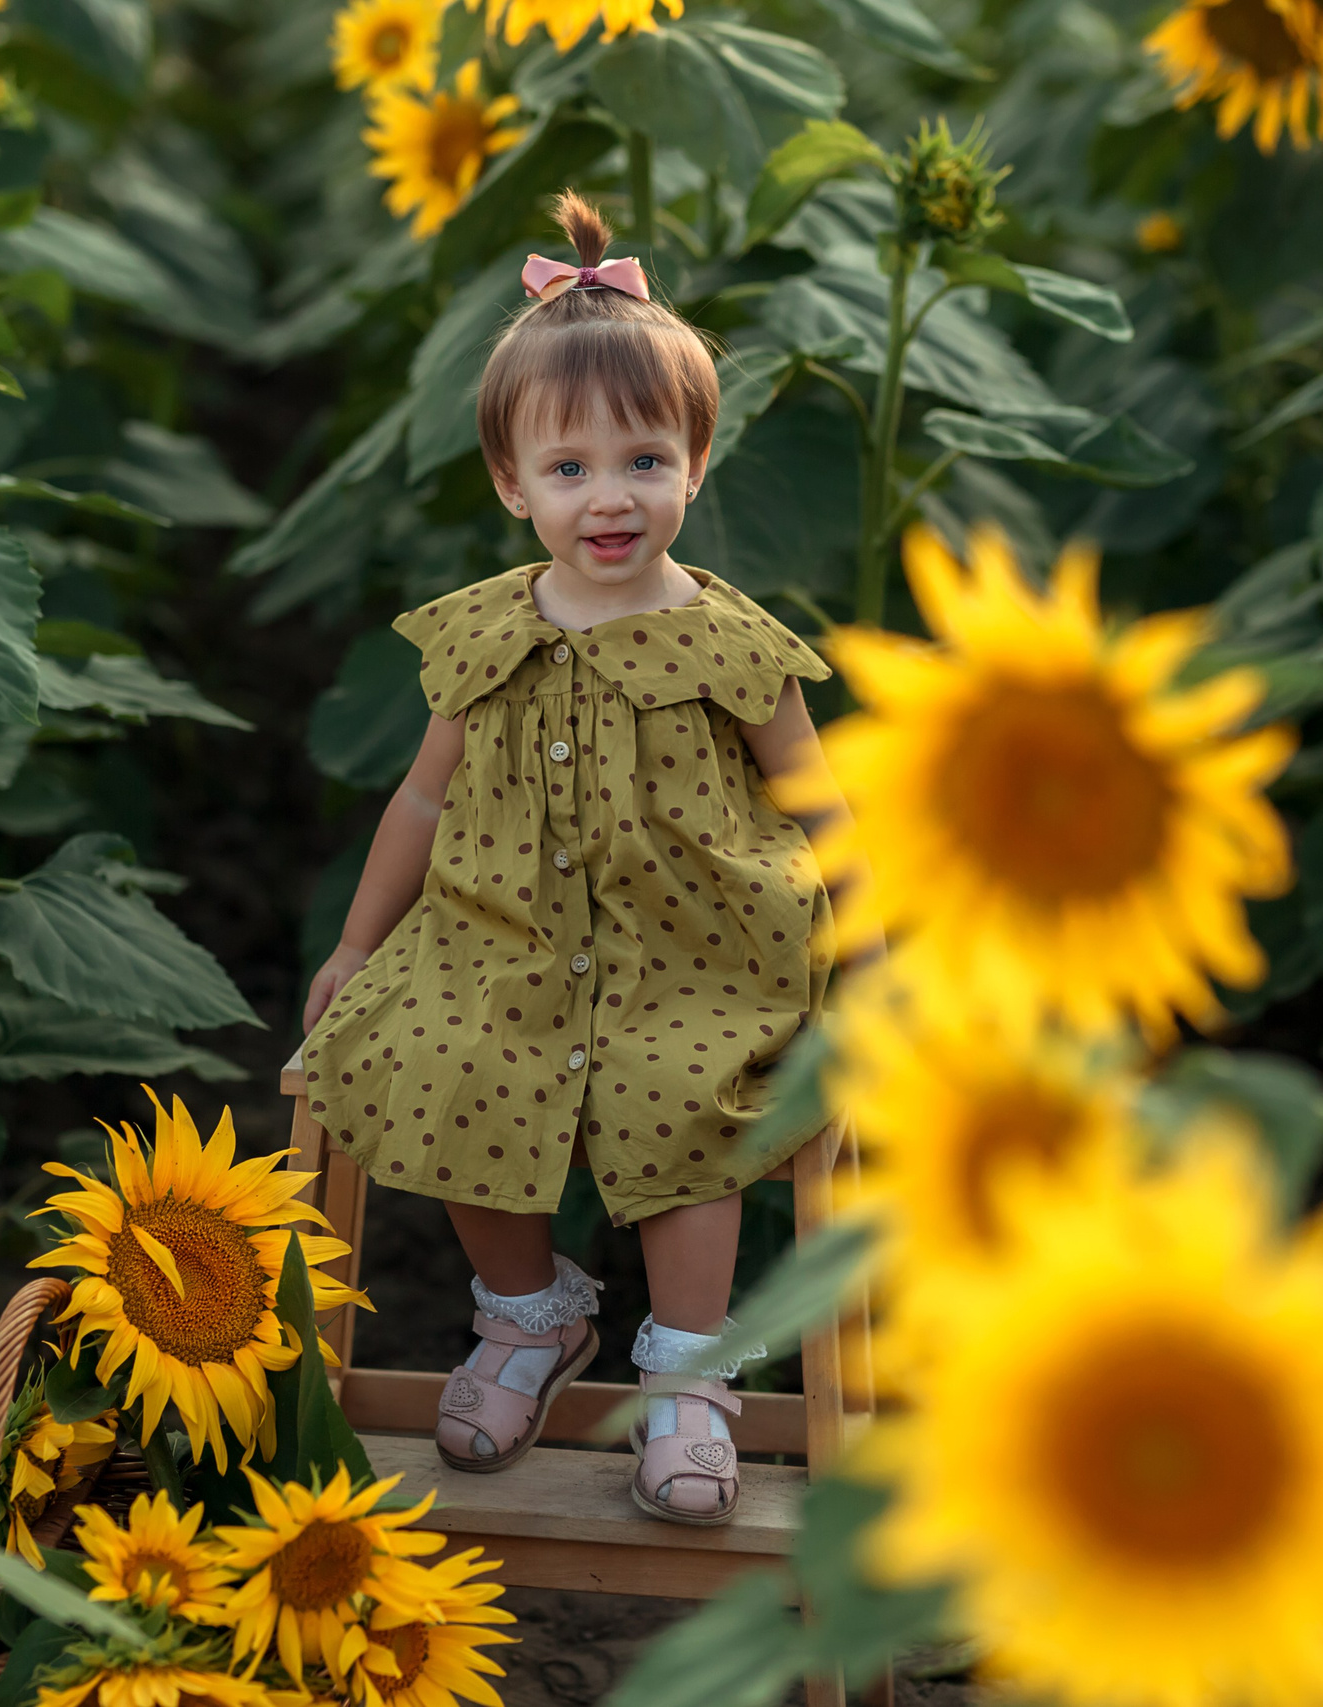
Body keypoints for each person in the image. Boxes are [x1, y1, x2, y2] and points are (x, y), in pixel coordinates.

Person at [298, 188, 855, 1527]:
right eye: (570, 470)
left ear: (696, 464)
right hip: (504, 938)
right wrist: (360, 945)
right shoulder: (485, 635)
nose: (611, 498)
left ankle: (691, 1376)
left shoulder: (734, 645)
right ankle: (529, 1315)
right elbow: (423, 806)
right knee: (433, 1053)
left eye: (645, 462)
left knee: (687, 1093)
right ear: (511, 485)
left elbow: (825, 805)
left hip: (699, 951)